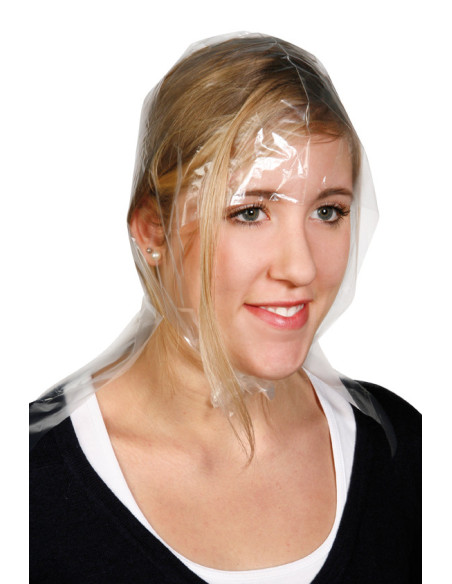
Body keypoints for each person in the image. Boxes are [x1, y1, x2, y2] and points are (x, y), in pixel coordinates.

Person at [29, 33, 421, 583]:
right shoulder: (29, 487)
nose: (301, 267)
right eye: (250, 212)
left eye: (328, 211)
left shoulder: (404, 451)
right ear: (153, 230)